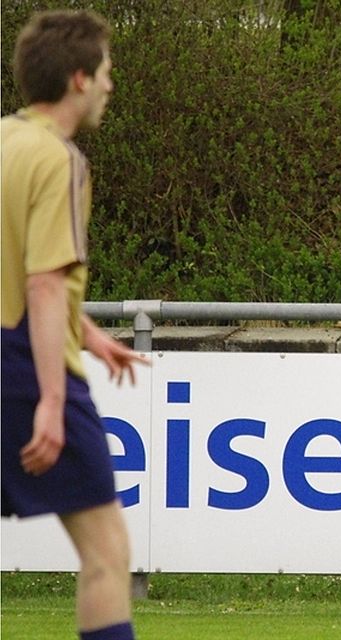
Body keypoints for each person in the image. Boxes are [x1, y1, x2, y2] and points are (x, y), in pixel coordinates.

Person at [1, 10, 148, 640]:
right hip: (23, 366)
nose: (112, 86)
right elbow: (41, 282)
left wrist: (88, 333)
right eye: (108, 72)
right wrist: (52, 403)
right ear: (80, 78)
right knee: (107, 551)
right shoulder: (59, 159)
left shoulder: (5, 139)